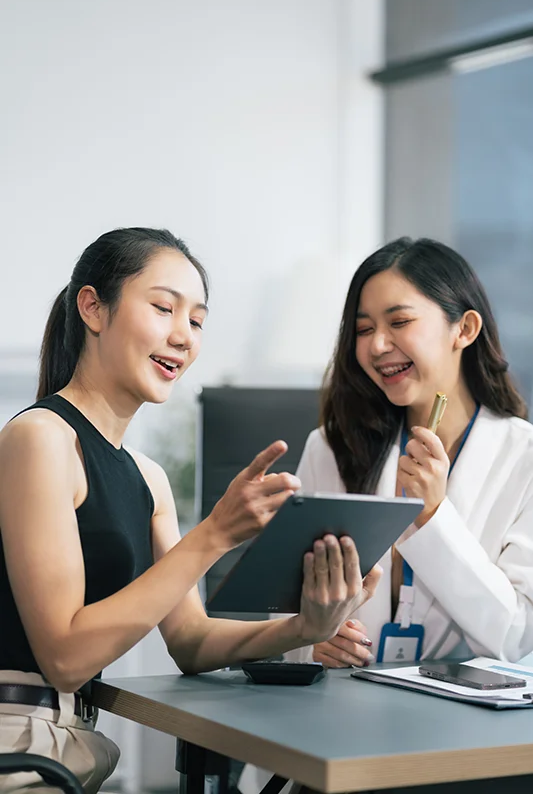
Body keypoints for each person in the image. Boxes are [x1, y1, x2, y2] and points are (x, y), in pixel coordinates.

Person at [0, 228, 381, 793]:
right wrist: (214, 535)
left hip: (69, 749)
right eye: (162, 308)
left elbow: (192, 642)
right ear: (92, 308)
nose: (183, 336)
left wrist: (305, 626)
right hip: (19, 745)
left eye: (197, 322)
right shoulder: (39, 438)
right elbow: (65, 656)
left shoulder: (147, 479)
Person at [293, 236, 533, 669]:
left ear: (465, 329)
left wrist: (434, 515)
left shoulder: (524, 457)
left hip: (463, 724)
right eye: (364, 330)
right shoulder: (331, 446)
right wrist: (309, 642)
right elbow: (287, 608)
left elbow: (517, 639)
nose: (378, 345)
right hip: (345, 707)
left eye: (399, 322)